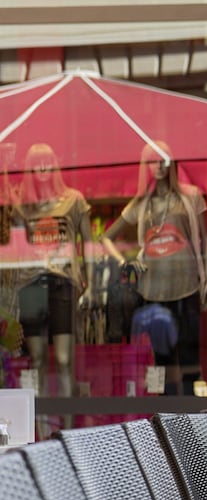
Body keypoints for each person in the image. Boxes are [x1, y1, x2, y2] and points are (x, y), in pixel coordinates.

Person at [102, 140, 207, 395]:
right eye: (152, 160)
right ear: (145, 166)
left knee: (188, 354)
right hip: (152, 289)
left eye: (163, 159)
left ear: (171, 162)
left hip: (186, 285)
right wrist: (124, 262)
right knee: (161, 357)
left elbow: (205, 240)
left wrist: (206, 280)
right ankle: (166, 417)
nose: (159, 166)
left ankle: (191, 420)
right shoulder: (142, 204)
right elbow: (106, 237)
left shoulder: (191, 196)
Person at [11, 143, 95, 398]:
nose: (43, 167)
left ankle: (66, 432)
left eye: (47, 161)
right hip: (31, 284)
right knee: (36, 360)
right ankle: (42, 432)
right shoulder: (23, 205)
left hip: (63, 282)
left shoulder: (73, 200)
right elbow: (15, 245)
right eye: (36, 164)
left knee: (63, 359)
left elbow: (88, 243)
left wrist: (91, 284)